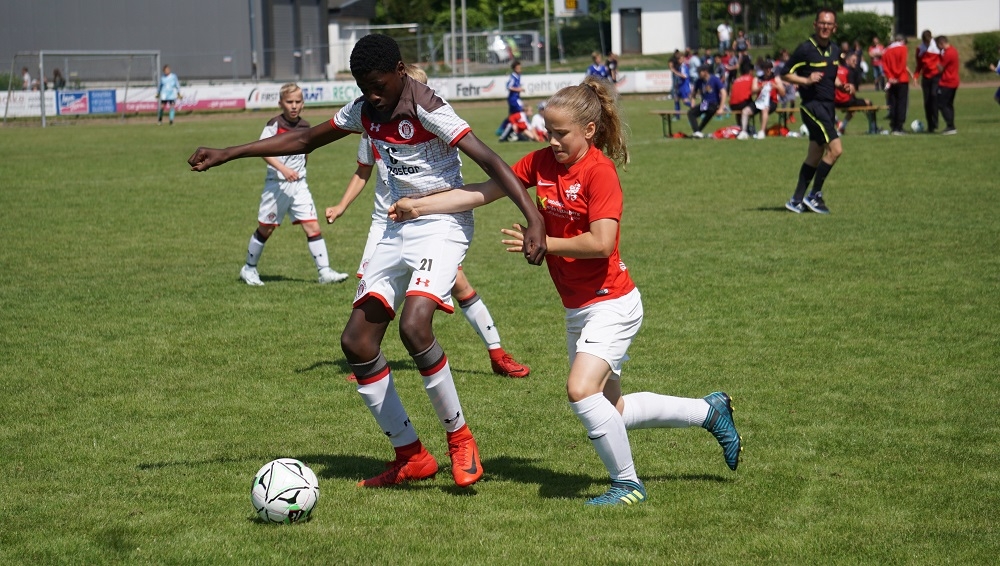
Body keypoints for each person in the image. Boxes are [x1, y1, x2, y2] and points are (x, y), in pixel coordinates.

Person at [187, 34, 547, 490]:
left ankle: (460, 439)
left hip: (442, 222)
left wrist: (533, 218)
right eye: (363, 87)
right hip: (397, 224)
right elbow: (305, 138)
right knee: (357, 342)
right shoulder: (364, 109)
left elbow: (491, 159)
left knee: (414, 326)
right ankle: (411, 455)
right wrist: (229, 152)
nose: (372, 96)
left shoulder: (427, 107)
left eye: (378, 85)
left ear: (399, 70)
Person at [388, 76, 742, 506]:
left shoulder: (599, 172)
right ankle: (708, 411)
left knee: (580, 390)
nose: (552, 141)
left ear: (589, 131)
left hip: (613, 303)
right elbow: (483, 191)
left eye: (561, 134)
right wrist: (419, 205)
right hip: (578, 308)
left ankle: (627, 484)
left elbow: (602, 243)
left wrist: (544, 242)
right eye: (548, 132)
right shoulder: (540, 163)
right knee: (611, 409)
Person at [326, 65, 532, 379]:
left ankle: (497, 353)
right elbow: (362, 171)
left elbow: (475, 165)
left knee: (460, 289)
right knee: (373, 298)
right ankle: (367, 357)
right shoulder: (371, 128)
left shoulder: (435, 129)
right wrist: (342, 205)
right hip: (386, 226)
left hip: (431, 221)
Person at [239, 83, 349, 287]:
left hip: (299, 185)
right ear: (280, 103)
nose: (294, 106)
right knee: (266, 228)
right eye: (289, 102)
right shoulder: (274, 124)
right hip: (277, 185)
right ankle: (249, 268)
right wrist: (283, 169)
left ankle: (324, 272)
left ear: (303, 104)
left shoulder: (305, 126)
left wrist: (299, 169)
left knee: (312, 226)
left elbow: (306, 150)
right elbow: (262, 149)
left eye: (298, 102)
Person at [781, 8, 854, 214]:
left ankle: (796, 200)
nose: (825, 27)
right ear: (815, 25)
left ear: (834, 27)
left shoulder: (835, 50)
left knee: (815, 155)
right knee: (836, 149)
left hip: (828, 106)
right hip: (813, 106)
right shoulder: (805, 49)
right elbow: (785, 74)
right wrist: (806, 80)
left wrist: (842, 86)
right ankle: (814, 195)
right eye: (822, 23)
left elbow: (831, 75)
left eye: (829, 24)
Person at [834, 52, 877, 135]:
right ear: (847, 61)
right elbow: (852, 89)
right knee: (868, 103)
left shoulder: (833, 70)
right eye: (853, 60)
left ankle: (839, 124)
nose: (856, 62)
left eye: (856, 60)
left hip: (835, 101)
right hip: (846, 101)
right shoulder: (848, 71)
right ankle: (873, 129)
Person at [881, 35, 913, 135]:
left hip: (891, 80)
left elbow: (884, 66)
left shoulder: (886, 51)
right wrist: (897, 76)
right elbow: (902, 64)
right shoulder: (903, 48)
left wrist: (890, 77)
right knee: (902, 103)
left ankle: (894, 125)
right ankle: (899, 126)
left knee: (893, 103)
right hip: (901, 79)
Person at [688, 65, 727, 138]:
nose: (698, 74)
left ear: (705, 72)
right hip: (705, 103)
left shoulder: (715, 79)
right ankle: (698, 131)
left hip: (714, 103)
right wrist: (692, 104)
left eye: (699, 72)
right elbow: (693, 94)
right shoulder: (699, 81)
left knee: (694, 113)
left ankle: (697, 132)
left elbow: (723, 93)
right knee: (692, 113)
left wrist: (721, 108)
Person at [915, 30, 941, 133]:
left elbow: (943, 60)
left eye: (928, 41)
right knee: (927, 102)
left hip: (936, 75)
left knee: (934, 96)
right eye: (925, 42)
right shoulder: (920, 49)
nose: (927, 43)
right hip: (926, 77)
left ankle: (935, 121)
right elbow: (919, 64)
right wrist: (916, 76)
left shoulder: (937, 47)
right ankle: (930, 125)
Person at [934, 36, 959, 135]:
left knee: (942, 104)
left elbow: (940, 68)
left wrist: (937, 63)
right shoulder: (953, 50)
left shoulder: (948, 53)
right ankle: (951, 126)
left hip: (947, 82)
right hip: (953, 81)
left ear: (941, 43)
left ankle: (950, 126)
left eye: (938, 45)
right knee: (948, 104)